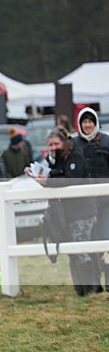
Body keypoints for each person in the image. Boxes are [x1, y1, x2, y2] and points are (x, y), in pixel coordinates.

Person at [29, 128, 99, 295]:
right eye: (50, 145)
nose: (53, 147)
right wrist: (40, 177)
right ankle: (80, 290)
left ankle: (90, 289)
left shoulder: (76, 155)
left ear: (65, 143)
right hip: (66, 213)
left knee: (80, 251)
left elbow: (70, 179)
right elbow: (56, 177)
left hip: (82, 211)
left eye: (56, 144)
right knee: (72, 252)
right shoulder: (57, 159)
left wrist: (47, 181)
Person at [72, 107, 109, 291]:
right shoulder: (73, 144)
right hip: (84, 204)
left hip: (105, 202)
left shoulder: (106, 142)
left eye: (90, 122)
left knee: (106, 240)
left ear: (96, 123)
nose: (87, 125)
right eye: (84, 122)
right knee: (89, 242)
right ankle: (94, 284)